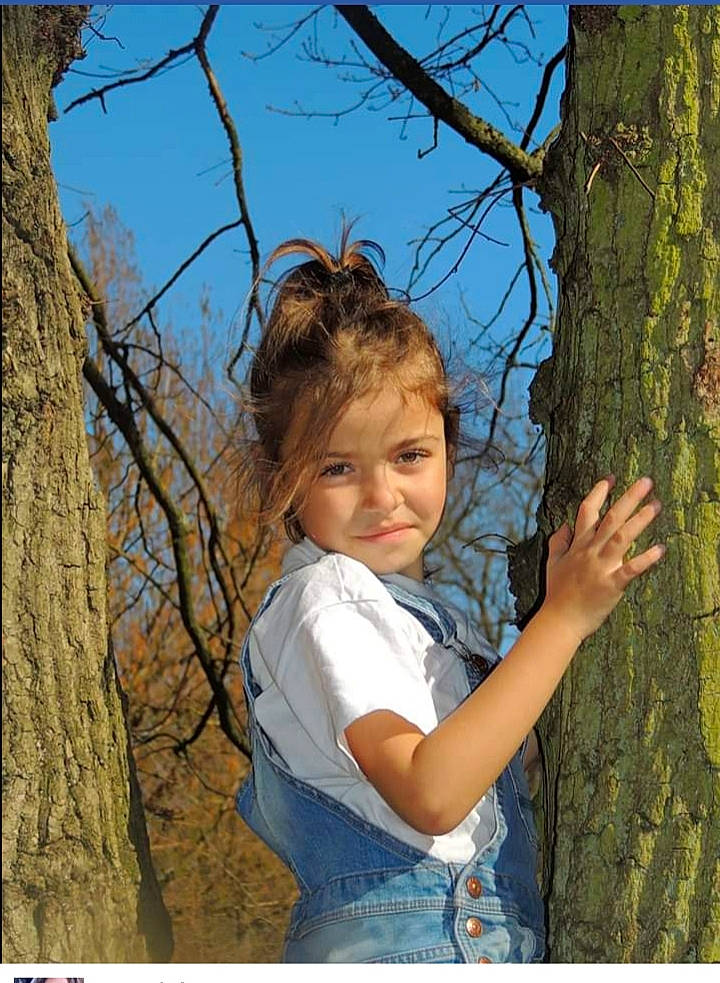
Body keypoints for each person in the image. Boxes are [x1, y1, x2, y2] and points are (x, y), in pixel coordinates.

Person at [235, 230, 665, 963]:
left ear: (446, 443)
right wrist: (562, 621)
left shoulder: (424, 622)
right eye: (337, 466)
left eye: (409, 455)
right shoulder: (327, 598)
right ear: (285, 480)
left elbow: (489, 763)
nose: (382, 495)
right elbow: (431, 791)